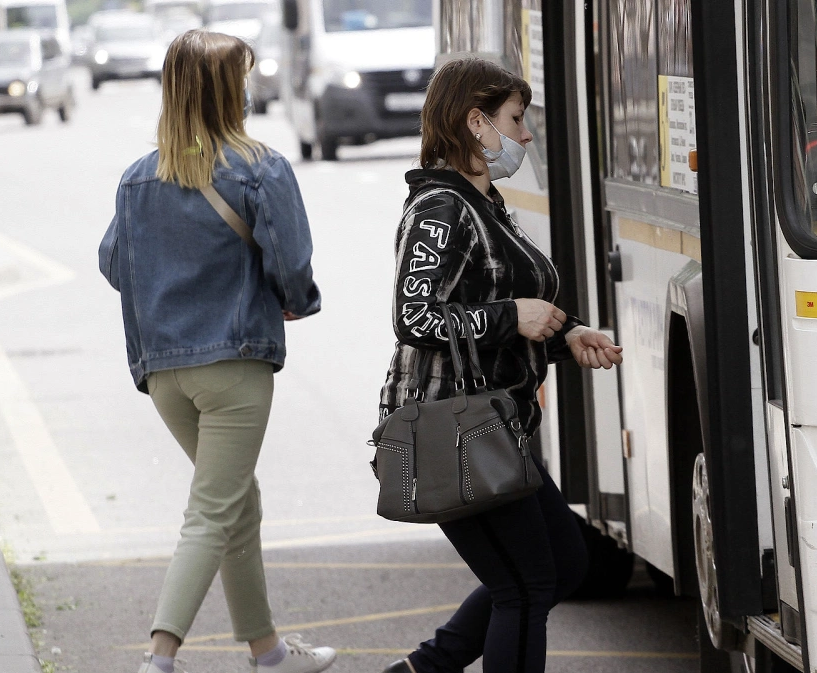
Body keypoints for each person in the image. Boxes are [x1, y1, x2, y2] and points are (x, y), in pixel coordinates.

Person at [98, 29, 335, 673]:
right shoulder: (260, 166)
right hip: (234, 364)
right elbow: (292, 259)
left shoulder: (139, 177)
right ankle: (159, 657)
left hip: (165, 373)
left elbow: (114, 262)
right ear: (232, 91)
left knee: (236, 502)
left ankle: (270, 653)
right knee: (212, 510)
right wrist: (296, 299)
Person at [377, 58, 624, 673]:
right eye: (517, 120)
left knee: (564, 563)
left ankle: (422, 670)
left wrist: (568, 336)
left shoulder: (483, 201)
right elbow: (417, 318)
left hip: (496, 424)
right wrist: (512, 317)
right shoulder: (441, 209)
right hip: (454, 426)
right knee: (527, 586)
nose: (527, 135)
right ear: (476, 122)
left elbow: (498, 300)